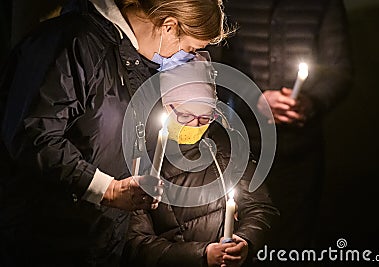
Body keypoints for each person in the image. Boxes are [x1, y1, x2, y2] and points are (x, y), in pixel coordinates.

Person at [0, 0, 229, 266]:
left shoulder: (132, 60)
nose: (184, 59)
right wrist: (106, 189)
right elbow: (33, 136)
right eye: (188, 49)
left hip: (98, 244)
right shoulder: (73, 42)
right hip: (46, 244)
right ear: (168, 27)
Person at [213, 0, 353, 260]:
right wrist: (255, 99)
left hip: (298, 152)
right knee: (232, 241)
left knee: (292, 243)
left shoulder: (325, 5)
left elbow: (339, 71)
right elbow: (213, 67)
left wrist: (310, 102)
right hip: (240, 148)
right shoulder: (227, 3)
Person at [121, 52, 278, 267]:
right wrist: (201, 255)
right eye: (185, 115)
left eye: (205, 116)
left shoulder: (225, 142)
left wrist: (245, 241)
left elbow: (260, 206)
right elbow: (134, 243)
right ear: (165, 106)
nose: (196, 124)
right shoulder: (140, 156)